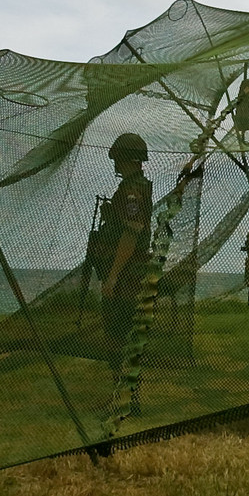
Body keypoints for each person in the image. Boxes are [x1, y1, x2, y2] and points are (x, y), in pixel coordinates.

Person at [93, 132, 154, 371]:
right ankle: (123, 395)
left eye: (118, 159)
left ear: (126, 159)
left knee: (119, 337)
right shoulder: (131, 188)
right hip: (129, 273)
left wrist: (113, 277)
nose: (116, 165)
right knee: (121, 337)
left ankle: (126, 398)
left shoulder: (133, 192)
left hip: (127, 276)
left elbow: (131, 235)